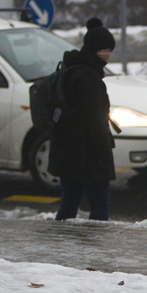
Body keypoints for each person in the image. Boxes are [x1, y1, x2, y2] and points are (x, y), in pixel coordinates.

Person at [50, 18, 116, 221]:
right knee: (99, 205)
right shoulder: (89, 77)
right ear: (93, 49)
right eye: (103, 49)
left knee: (69, 203)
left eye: (109, 50)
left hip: (67, 150)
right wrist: (102, 153)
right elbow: (94, 120)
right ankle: (94, 247)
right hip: (88, 154)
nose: (107, 54)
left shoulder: (72, 68)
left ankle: (61, 243)